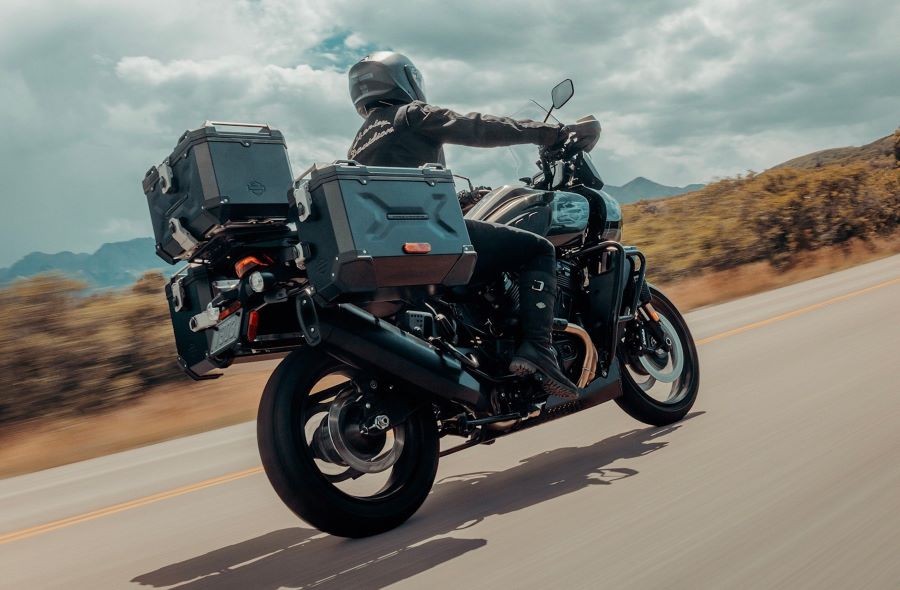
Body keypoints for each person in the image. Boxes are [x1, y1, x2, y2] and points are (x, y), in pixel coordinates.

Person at [347, 52, 598, 399]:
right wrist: (550, 134)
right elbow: (479, 126)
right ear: (403, 79)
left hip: (391, 249)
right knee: (537, 250)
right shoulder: (410, 115)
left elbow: (399, 192)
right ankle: (539, 349)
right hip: (431, 239)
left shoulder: (358, 145)